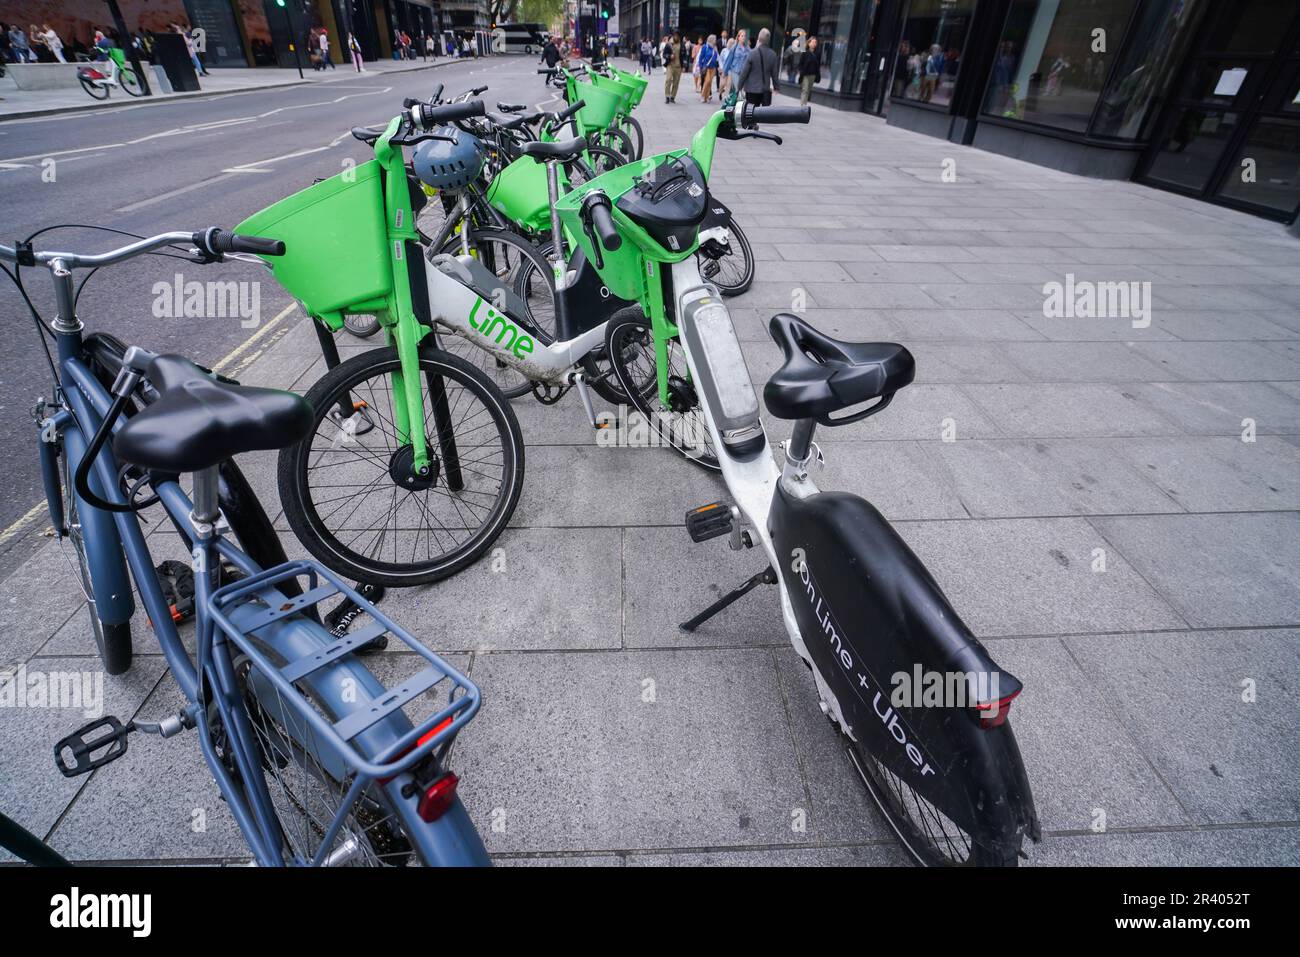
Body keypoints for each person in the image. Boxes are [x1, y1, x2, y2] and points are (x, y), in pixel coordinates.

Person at [737, 27, 779, 106]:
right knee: (763, 114)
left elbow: (744, 72)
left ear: (759, 39)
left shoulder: (752, 53)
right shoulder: (773, 54)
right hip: (765, 89)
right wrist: (776, 87)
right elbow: (774, 73)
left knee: (751, 113)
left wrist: (739, 86)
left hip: (751, 89)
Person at [726, 29, 750, 98]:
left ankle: (733, 103)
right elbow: (729, 60)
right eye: (742, 36)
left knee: (736, 91)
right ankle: (738, 102)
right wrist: (724, 71)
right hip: (735, 71)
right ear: (738, 37)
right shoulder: (734, 47)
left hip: (744, 72)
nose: (743, 37)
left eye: (745, 36)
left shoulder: (747, 48)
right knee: (738, 89)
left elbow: (751, 59)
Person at [797, 36, 820, 106]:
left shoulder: (817, 53)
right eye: (812, 42)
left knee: (808, 90)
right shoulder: (805, 52)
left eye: (815, 42)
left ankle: (804, 104)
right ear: (809, 43)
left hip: (813, 75)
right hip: (806, 75)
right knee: (805, 90)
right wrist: (801, 71)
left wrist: (817, 74)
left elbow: (818, 65)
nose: (814, 44)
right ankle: (803, 106)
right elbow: (800, 64)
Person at [697, 33, 718, 103]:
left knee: (710, 83)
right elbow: (701, 57)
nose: (715, 40)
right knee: (707, 81)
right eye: (714, 39)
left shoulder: (715, 48)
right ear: (711, 39)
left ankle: (707, 96)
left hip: (713, 67)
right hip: (706, 67)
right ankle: (703, 96)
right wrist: (700, 66)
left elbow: (717, 57)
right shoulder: (705, 47)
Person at [662, 33, 682, 103]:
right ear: (673, 36)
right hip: (670, 65)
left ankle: (672, 97)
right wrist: (669, 56)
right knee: (668, 79)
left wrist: (685, 66)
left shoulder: (681, 45)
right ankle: (667, 96)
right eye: (675, 36)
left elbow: (684, 55)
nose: (676, 37)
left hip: (678, 66)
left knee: (676, 83)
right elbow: (664, 54)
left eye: (677, 35)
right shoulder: (669, 44)